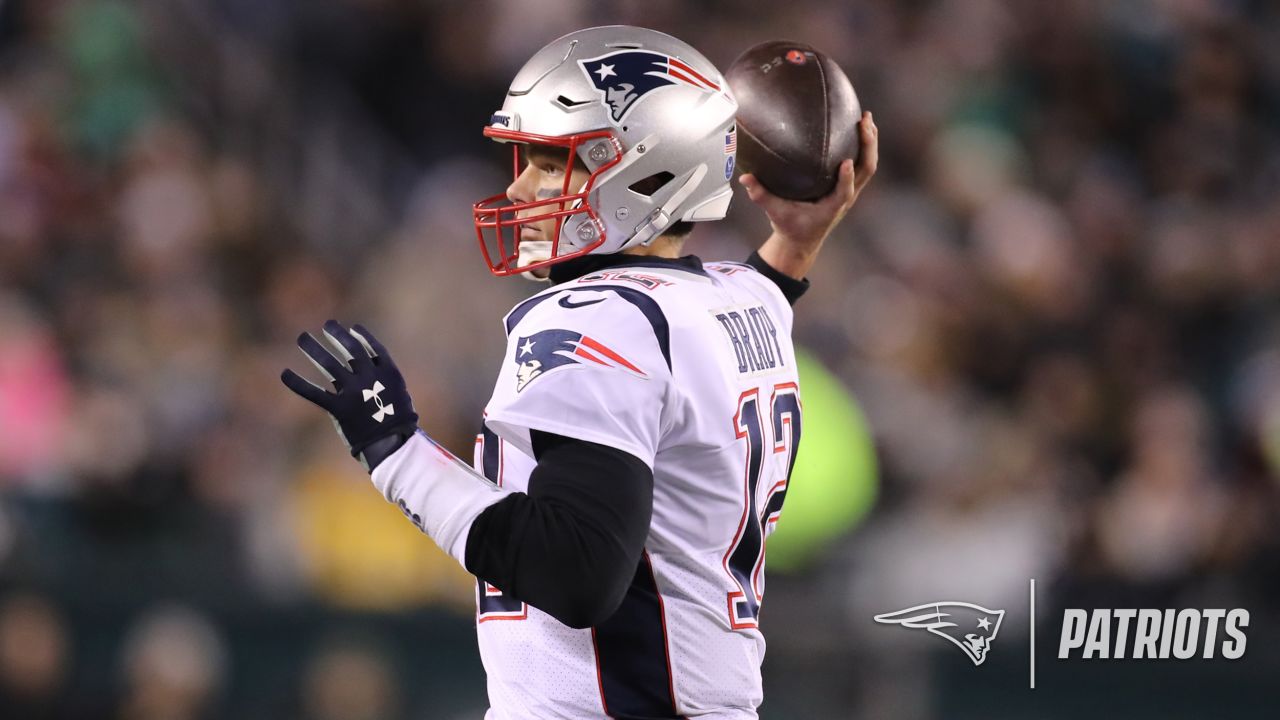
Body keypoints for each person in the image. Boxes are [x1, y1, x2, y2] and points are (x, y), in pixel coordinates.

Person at [282, 25, 877, 720]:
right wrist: (801, 239)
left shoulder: (593, 319)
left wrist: (398, 455)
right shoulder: (740, 302)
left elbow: (577, 574)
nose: (521, 186)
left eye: (549, 161)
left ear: (645, 174)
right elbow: (766, 288)